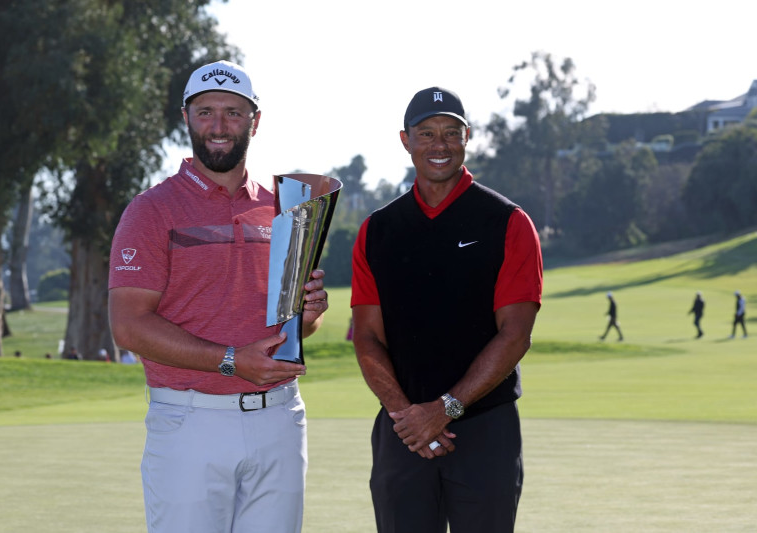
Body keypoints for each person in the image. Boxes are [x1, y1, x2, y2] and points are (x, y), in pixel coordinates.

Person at [107, 59, 329, 533]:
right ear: (185, 117)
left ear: (255, 121)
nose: (219, 126)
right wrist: (231, 360)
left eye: (233, 112)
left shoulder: (285, 207)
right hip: (190, 421)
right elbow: (128, 325)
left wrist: (308, 313)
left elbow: (294, 327)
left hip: (279, 418)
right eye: (206, 112)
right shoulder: (151, 210)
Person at [350, 87, 543, 533]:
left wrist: (446, 409)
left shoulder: (508, 222)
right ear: (406, 140)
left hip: (483, 429)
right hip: (403, 433)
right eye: (427, 133)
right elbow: (367, 337)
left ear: (467, 137)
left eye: (451, 133)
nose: (440, 145)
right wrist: (409, 416)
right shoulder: (378, 230)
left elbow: (515, 334)